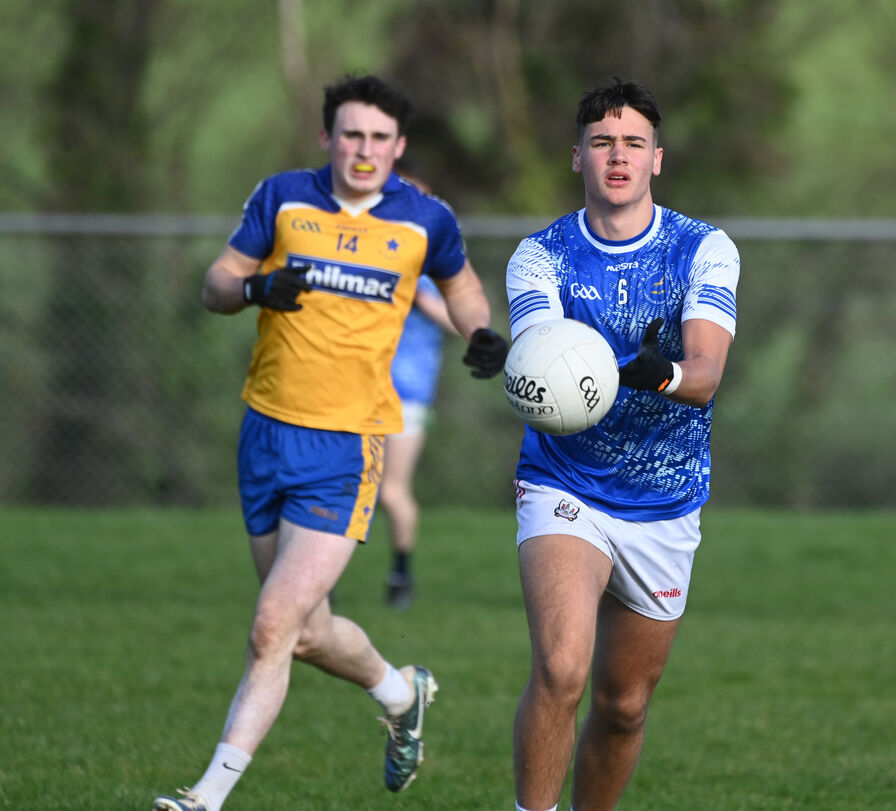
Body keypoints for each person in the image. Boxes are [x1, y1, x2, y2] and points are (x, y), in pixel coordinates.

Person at [152, 74, 508, 811]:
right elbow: (217, 282)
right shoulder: (282, 196)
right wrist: (255, 290)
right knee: (306, 632)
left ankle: (205, 797)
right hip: (265, 433)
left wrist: (480, 332)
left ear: (398, 147)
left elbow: (463, 284)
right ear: (327, 138)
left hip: (347, 448)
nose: (364, 150)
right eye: (351, 134)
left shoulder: (424, 218)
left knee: (270, 626)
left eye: (380, 138)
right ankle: (402, 693)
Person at [503, 77, 740, 811]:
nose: (618, 156)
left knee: (623, 704)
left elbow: (704, 375)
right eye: (602, 142)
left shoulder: (703, 248)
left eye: (633, 143)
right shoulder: (539, 257)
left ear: (656, 159)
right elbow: (542, 356)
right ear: (577, 156)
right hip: (564, 484)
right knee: (563, 667)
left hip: (664, 498)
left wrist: (658, 372)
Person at [380, 269, 455, 609]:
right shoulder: (388, 265)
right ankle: (323, 581)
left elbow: (461, 323)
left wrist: (421, 299)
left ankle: (401, 575)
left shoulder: (434, 281)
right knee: (345, 486)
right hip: (362, 392)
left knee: (392, 491)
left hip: (409, 396)